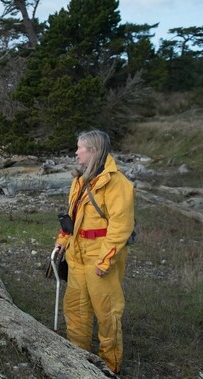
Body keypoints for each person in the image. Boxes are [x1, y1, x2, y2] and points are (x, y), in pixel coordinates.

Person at [54, 129, 134, 374]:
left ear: (94, 151)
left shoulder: (117, 183)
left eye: (80, 148)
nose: (76, 152)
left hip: (101, 257)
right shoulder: (79, 179)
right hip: (76, 255)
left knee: (107, 313)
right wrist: (62, 240)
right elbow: (73, 217)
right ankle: (79, 361)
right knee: (76, 309)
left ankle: (111, 367)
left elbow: (121, 227)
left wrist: (105, 260)